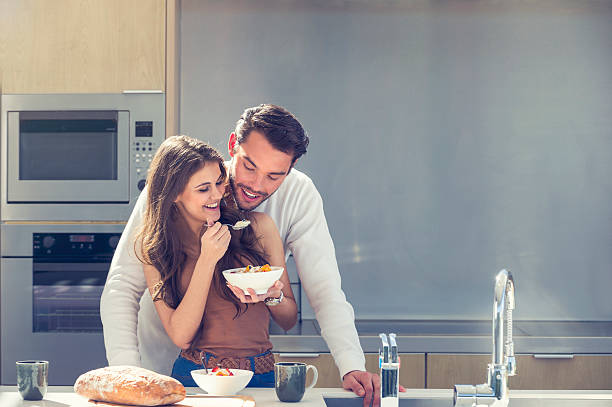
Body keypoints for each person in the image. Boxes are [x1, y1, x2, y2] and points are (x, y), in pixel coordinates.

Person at [101, 104, 383, 406]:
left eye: (275, 176)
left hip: (250, 373)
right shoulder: (175, 188)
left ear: (292, 167)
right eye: (249, 167)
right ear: (233, 145)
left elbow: (324, 288)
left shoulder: (295, 199)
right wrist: (126, 374)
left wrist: (351, 364)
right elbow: (121, 289)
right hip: (160, 363)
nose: (256, 186)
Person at [135, 135, 297, 387]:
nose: (217, 195)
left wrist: (269, 295)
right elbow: (181, 336)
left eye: (220, 183)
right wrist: (207, 260)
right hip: (197, 377)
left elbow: (288, 319)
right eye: (203, 189)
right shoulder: (157, 248)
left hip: (262, 376)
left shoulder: (257, 228)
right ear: (175, 194)